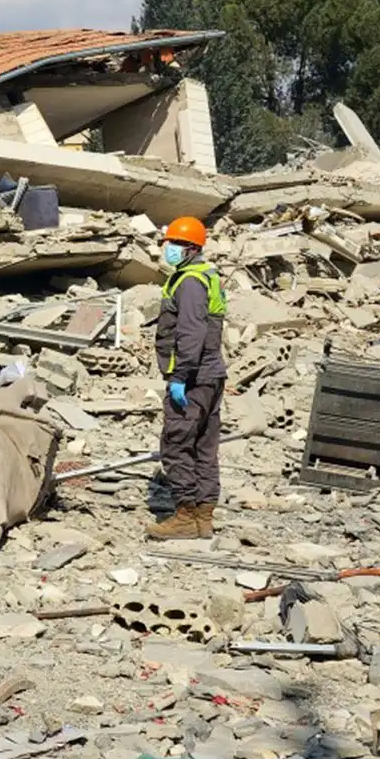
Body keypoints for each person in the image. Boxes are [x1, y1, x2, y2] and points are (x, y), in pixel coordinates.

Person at [150, 216, 227, 541]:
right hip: (211, 375)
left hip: (193, 379)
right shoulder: (205, 276)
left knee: (177, 445)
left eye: (173, 243)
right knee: (204, 447)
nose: (167, 248)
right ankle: (203, 517)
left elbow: (190, 333)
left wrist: (180, 375)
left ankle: (184, 516)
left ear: (190, 248)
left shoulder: (191, 282)